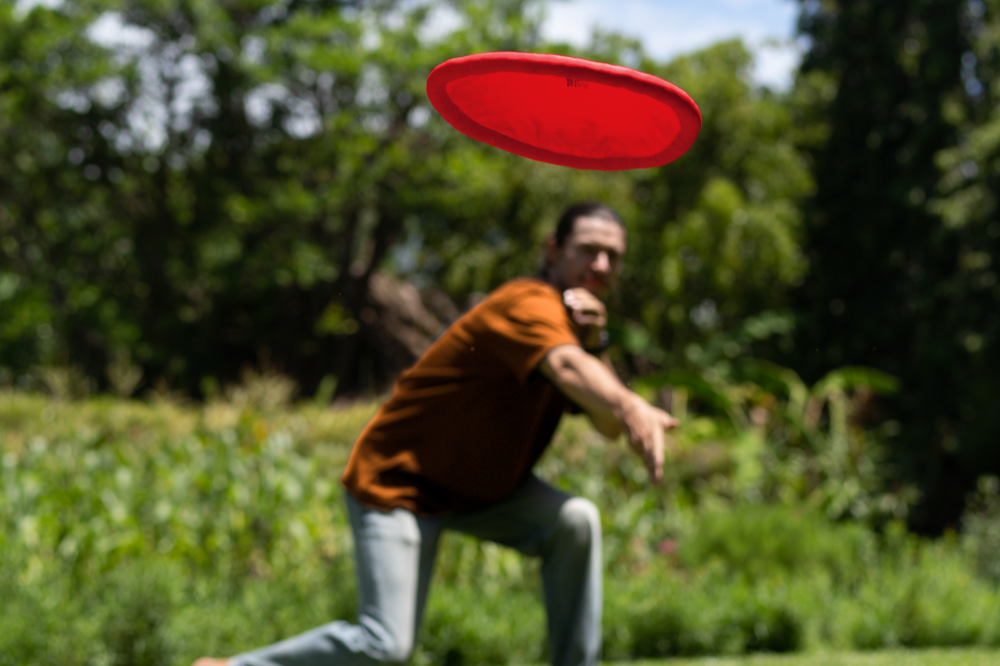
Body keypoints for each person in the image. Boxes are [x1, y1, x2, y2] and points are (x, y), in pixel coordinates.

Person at [194, 202, 679, 666]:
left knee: (575, 521)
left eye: (612, 255)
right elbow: (569, 368)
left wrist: (598, 347)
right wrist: (631, 399)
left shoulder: (581, 336)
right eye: (587, 249)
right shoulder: (525, 302)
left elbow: (607, 424)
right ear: (553, 250)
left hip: (482, 492)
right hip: (400, 484)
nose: (600, 264)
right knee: (385, 645)